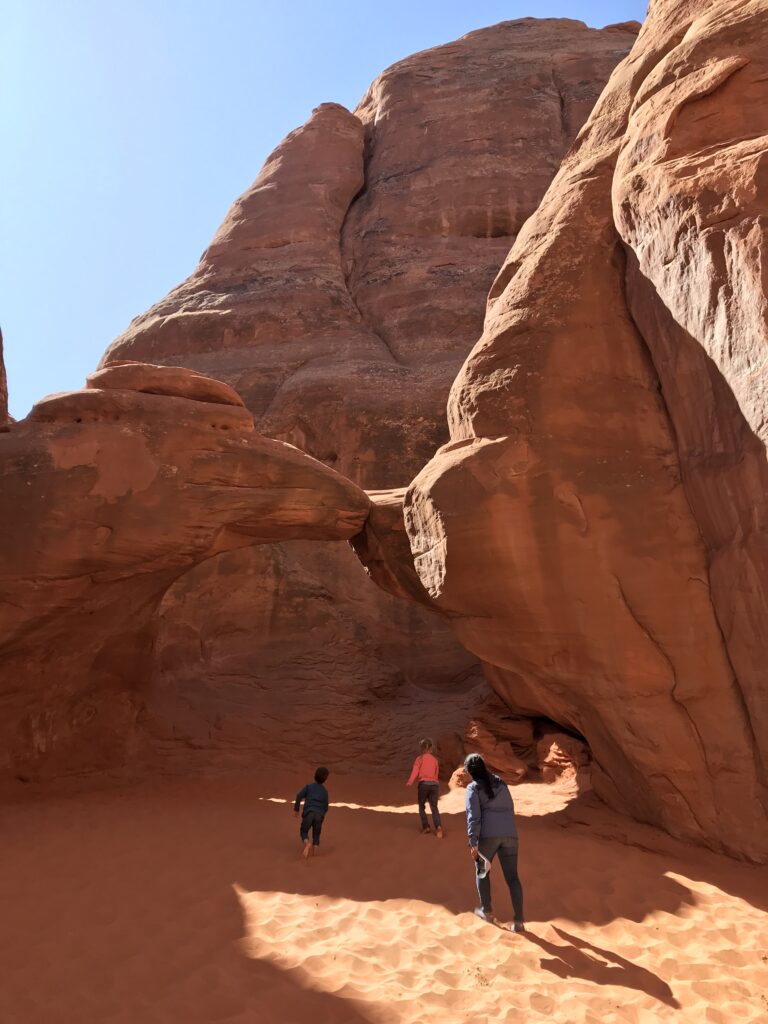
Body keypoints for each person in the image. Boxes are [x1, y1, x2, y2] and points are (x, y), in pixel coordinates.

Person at [464, 752, 525, 931]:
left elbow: (473, 817)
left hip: (488, 836)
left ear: (470, 772)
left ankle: (487, 912)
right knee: (513, 878)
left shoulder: (473, 788)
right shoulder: (501, 783)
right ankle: (519, 921)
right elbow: (510, 808)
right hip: (510, 836)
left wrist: (472, 841)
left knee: (482, 872)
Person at [406, 738, 444, 838]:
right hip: (434, 785)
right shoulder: (435, 760)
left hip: (424, 785)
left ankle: (426, 827)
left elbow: (415, 771)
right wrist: (435, 784)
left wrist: (410, 782)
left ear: (422, 748)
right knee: (434, 807)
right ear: (431, 748)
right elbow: (436, 774)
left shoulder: (419, 759)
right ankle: (438, 827)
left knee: (421, 806)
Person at [294, 766, 330, 858]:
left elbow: (299, 796)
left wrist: (296, 809)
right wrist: (322, 814)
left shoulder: (308, 787)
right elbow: (326, 806)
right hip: (319, 815)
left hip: (309, 813)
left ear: (314, 776)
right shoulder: (325, 792)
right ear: (325, 780)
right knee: (316, 834)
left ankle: (307, 843)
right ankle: (315, 854)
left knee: (304, 831)